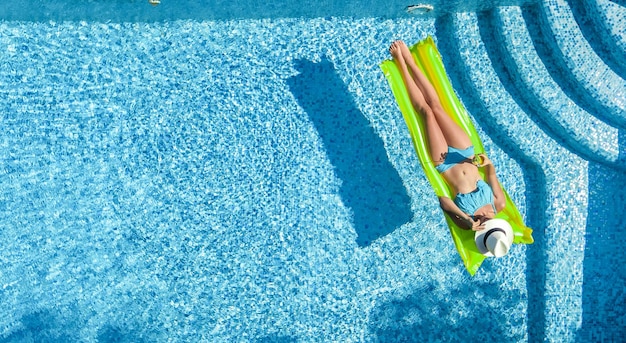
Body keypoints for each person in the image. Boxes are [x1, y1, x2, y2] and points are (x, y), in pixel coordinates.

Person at [389, 40, 506, 231]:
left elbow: (443, 201)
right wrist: (487, 162)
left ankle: (401, 63)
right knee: (437, 107)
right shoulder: (498, 204)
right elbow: (491, 174)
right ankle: (411, 62)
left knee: (426, 112)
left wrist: (466, 220)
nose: (486, 223)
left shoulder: (468, 222)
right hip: (465, 153)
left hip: (445, 164)